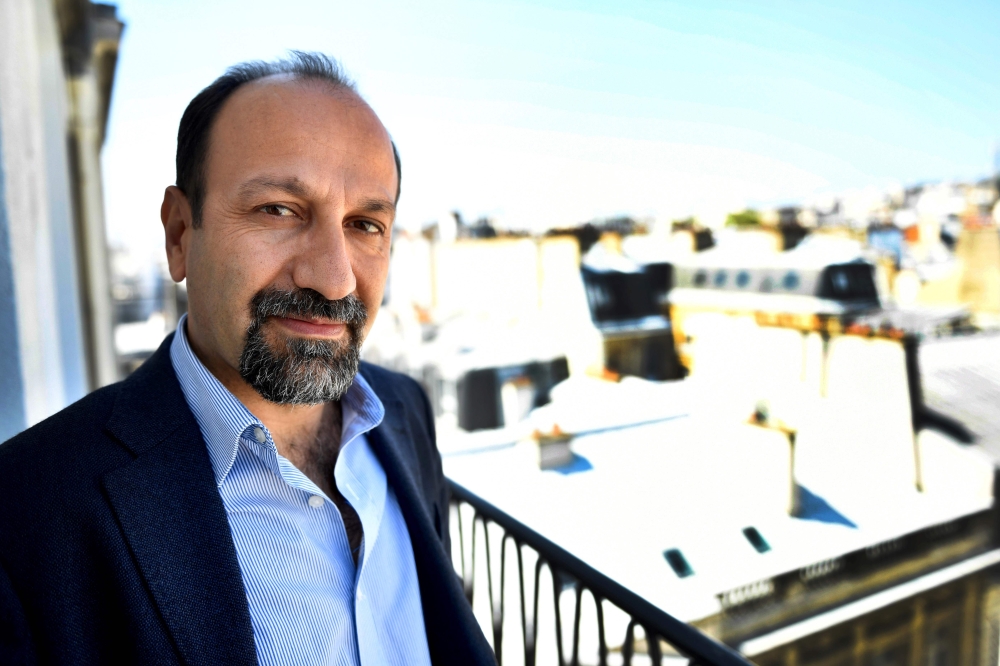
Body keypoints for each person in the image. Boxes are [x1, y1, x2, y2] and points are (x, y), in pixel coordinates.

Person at [0, 51, 495, 666]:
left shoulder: (403, 410)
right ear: (180, 234)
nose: (334, 280)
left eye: (365, 224)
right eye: (279, 211)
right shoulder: (26, 510)